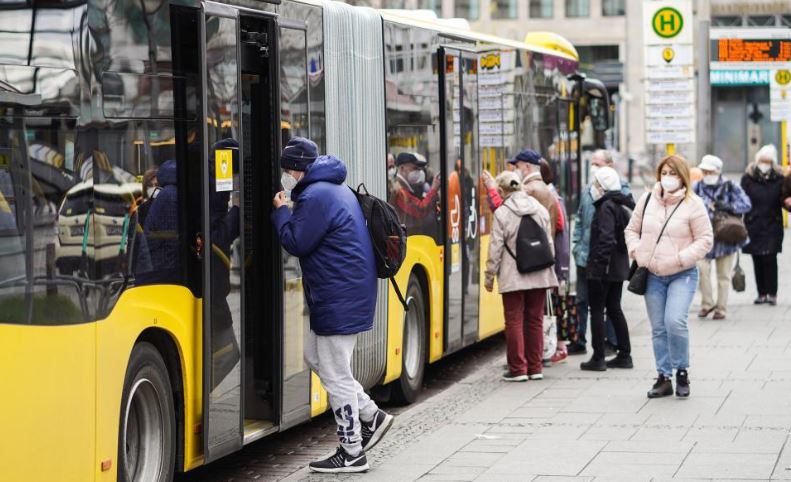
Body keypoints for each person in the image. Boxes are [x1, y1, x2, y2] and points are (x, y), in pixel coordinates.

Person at [272, 137, 393, 473]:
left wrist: (281, 212)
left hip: (339, 297)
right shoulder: (331, 189)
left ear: (297, 169)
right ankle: (371, 414)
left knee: (336, 374)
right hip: (343, 294)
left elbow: (296, 241)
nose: (285, 176)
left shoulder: (315, 195)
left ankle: (352, 450)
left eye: (286, 170)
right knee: (315, 357)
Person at [625, 155, 713, 399]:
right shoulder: (646, 200)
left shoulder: (693, 204)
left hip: (681, 273)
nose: (668, 178)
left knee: (675, 321)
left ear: (682, 176)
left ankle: (682, 371)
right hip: (652, 274)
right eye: (664, 173)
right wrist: (637, 251)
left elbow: (706, 239)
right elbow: (631, 230)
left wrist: (682, 258)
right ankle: (664, 376)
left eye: (673, 174)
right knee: (659, 328)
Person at [484, 171, 558, 382]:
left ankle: (518, 369)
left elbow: (495, 248)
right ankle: (535, 368)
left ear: (501, 191)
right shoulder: (540, 209)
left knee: (514, 321)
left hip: (513, 274)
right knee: (535, 320)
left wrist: (489, 277)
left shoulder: (502, 213)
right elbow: (549, 243)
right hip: (540, 273)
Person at [569, 149, 630, 356]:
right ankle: (621, 353)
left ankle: (602, 353)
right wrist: (577, 246)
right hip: (591, 256)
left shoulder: (610, 202)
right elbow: (580, 220)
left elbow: (607, 238)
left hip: (603, 265)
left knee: (603, 308)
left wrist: (598, 266)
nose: (593, 167)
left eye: (597, 164)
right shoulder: (591, 192)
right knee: (591, 302)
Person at [580, 167, 635, 371]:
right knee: (614, 308)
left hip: (604, 269)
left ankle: (598, 357)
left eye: (595, 184)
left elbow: (606, 239)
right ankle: (625, 354)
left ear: (601, 187)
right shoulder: (621, 204)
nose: (593, 188)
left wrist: (597, 267)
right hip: (618, 267)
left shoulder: (605, 207)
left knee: (596, 310)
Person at [694, 155, 752, 320]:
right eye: (704, 171)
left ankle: (721, 308)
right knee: (701, 270)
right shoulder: (697, 186)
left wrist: (729, 206)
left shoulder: (730, 185)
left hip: (725, 238)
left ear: (718, 171)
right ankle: (707, 303)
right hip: (703, 237)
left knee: (723, 275)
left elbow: (746, 204)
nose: (706, 174)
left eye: (709, 171)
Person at [741, 145, 785, 306]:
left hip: (773, 223)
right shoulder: (748, 178)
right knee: (757, 258)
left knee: (770, 258)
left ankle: (772, 293)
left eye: (767, 161)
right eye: (762, 161)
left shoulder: (779, 178)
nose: (764, 164)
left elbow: (785, 198)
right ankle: (761, 293)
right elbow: (741, 199)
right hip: (753, 224)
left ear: (772, 162)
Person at [509, 149, 559, 237]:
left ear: (527, 167)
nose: (515, 170)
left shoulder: (527, 190)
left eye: (517, 166)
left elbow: (507, 214)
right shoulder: (547, 189)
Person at [388, 152, 440, 231]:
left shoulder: (406, 188)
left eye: (419, 169)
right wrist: (434, 189)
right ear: (402, 168)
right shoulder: (400, 191)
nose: (419, 172)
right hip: (409, 240)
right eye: (415, 168)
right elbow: (420, 209)